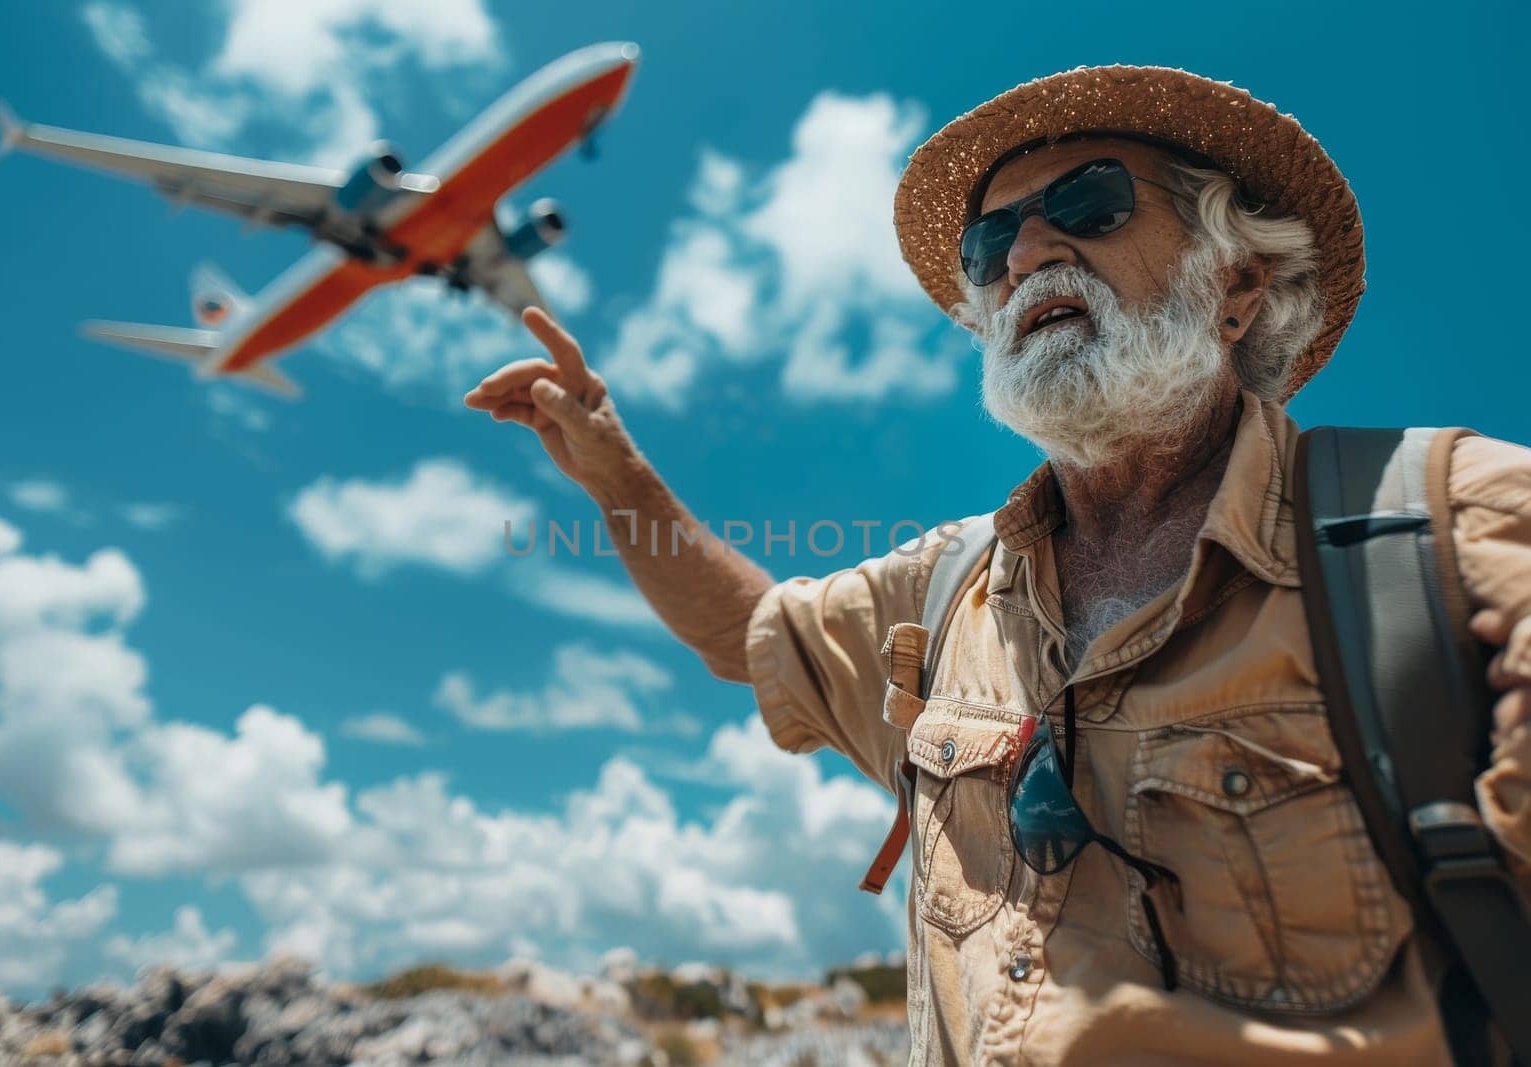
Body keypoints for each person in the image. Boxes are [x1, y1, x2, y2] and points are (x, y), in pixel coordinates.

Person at [465, 65, 1531, 1065]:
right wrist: (616, 476)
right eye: (990, 243)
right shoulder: (941, 590)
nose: (1024, 254)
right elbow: (749, 634)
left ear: (1237, 283)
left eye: (1089, 204)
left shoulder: (1449, 525)